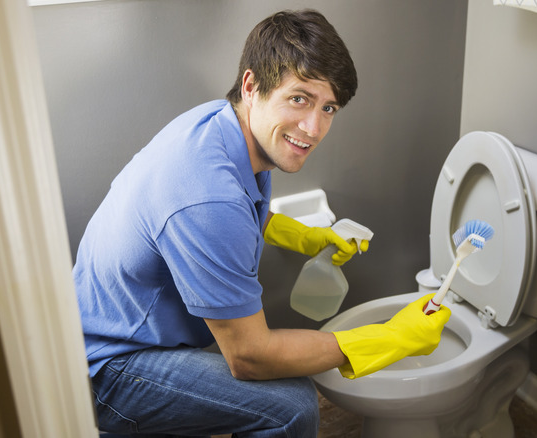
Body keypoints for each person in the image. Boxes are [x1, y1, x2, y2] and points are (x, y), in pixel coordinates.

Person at [74, 9, 451, 438]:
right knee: (291, 407)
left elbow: (238, 209)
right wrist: (390, 339)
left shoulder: (224, 126)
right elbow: (249, 356)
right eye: (299, 99)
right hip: (110, 368)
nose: (313, 128)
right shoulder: (206, 192)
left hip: (112, 328)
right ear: (253, 86)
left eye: (328, 107)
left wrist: (303, 236)